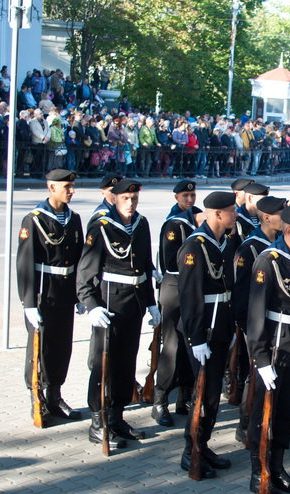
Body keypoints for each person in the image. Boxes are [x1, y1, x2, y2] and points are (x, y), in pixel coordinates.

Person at [77, 179, 161, 450]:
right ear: (114, 199)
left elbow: (145, 266)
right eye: (125, 198)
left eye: (134, 198)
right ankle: (97, 421)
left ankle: (117, 417)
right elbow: (86, 271)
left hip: (133, 304)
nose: (131, 203)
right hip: (109, 304)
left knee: (126, 362)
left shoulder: (142, 223)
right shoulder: (101, 226)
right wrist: (91, 305)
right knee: (104, 365)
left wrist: (151, 303)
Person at [246, 204, 290, 494]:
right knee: (265, 412)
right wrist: (261, 359)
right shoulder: (268, 262)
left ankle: (277, 466)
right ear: (288, 231)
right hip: (275, 347)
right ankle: (257, 470)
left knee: (287, 409)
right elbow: (256, 315)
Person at [175, 191, 238, 479]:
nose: (235, 215)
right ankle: (191, 450)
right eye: (231, 211)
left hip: (220, 326)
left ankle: (204, 443)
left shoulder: (222, 241)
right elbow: (190, 297)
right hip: (203, 331)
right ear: (217, 214)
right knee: (202, 393)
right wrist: (196, 337)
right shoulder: (194, 246)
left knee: (213, 394)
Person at [17, 169, 84, 427]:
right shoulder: (34, 220)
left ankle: (55, 396)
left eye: (72, 185)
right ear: (51, 187)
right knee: (40, 348)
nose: (71, 190)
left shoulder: (73, 218)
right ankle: (38, 397)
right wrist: (29, 303)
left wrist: (79, 294)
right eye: (66, 186)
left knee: (62, 346)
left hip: (65, 291)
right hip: (43, 292)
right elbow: (24, 263)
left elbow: (78, 259)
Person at [233, 196, 286, 445]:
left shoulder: (278, 244)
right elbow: (242, 293)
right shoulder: (251, 248)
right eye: (280, 213)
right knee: (253, 371)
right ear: (266, 217)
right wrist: (248, 326)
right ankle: (245, 422)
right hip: (254, 322)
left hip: (275, 322)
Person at [151, 180, 201, 426]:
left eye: (192, 195)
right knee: (171, 346)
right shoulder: (174, 224)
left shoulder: (194, 217)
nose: (189, 200)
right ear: (176, 197)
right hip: (174, 287)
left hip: (191, 289)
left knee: (190, 344)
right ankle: (160, 399)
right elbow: (170, 262)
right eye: (185, 195)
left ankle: (184, 395)